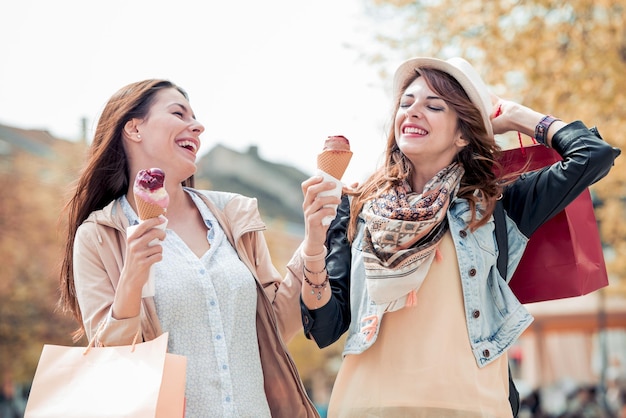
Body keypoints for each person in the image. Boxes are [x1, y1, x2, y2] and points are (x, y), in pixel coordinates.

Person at [293, 57, 620, 417]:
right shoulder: (356, 208)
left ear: (463, 133)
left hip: (473, 407)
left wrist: (512, 114)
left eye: (434, 106)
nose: (414, 111)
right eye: (406, 103)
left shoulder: (497, 203)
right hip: (370, 405)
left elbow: (592, 155)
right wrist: (313, 242)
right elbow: (325, 327)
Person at [58, 79, 322, 418]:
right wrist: (132, 279)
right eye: (178, 113)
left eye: (195, 118)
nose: (197, 126)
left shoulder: (233, 216)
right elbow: (113, 362)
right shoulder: (99, 235)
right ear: (134, 128)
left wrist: (313, 240)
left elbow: (274, 329)